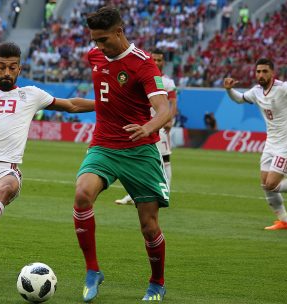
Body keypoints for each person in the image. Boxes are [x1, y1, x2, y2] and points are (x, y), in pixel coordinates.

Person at [0, 41, 95, 272]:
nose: (7, 72)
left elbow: (71, 105)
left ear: (19, 69)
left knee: (5, 189)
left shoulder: (31, 95)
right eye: (2, 67)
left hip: (4, 170)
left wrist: (107, 104)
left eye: (12, 67)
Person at [73, 7, 171, 302]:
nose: (98, 47)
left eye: (103, 39)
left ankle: (157, 282)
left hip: (140, 151)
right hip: (104, 144)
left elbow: (164, 110)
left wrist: (148, 127)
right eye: (95, 40)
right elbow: (106, 96)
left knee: (148, 225)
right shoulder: (94, 56)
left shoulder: (144, 65)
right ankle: (93, 270)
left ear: (120, 31)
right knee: (81, 195)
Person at [224, 58, 287, 230]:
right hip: (270, 144)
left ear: (272, 73)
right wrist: (229, 90)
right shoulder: (256, 91)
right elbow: (239, 99)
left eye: (264, 71)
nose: (260, 75)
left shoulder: (284, 89)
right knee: (265, 184)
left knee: (272, 185)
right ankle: (284, 221)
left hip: (286, 145)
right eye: (258, 71)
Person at [115, 48, 177, 205]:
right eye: (154, 59)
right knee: (135, 159)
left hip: (159, 124)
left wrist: (169, 120)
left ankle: (165, 192)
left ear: (164, 62)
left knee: (165, 159)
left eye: (159, 60)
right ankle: (133, 194)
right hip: (141, 123)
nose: (156, 63)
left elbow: (172, 104)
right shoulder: (142, 75)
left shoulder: (168, 82)